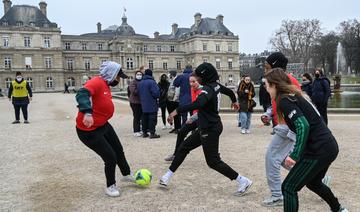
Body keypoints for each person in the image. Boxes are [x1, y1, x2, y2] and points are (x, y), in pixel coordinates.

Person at [159, 62, 253, 197]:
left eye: (198, 76)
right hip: (208, 125)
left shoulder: (207, 90)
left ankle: (243, 181)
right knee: (184, 147)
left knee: (213, 162)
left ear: (205, 76)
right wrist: (234, 101)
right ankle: (167, 176)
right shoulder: (215, 86)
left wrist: (177, 110)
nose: (197, 78)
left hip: (209, 128)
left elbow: (199, 103)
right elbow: (228, 92)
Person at [264, 68, 348, 212]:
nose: (266, 88)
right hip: (328, 146)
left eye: (266, 84)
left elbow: (303, 125)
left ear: (274, 85)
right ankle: (339, 209)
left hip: (318, 149)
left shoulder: (284, 100)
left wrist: (295, 154)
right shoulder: (294, 95)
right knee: (314, 183)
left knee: (288, 187)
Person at [75, 61, 133, 197]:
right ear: (111, 74)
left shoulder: (105, 84)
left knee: (118, 149)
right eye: (118, 77)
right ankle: (110, 186)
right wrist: (87, 113)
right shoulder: (96, 82)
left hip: (103, 125)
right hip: (88, 131)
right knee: (110, 157)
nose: (119, 80)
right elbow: (82, 94)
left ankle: (126, 174)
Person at [261, 52, 300, 207]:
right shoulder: (282, 80)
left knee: (271, 158)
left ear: (274, 66)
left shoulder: (287, 80)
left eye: (267, 66)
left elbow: (294, 104)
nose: (265, 70)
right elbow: (277, 103)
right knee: (283, 160)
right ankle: (316, 178)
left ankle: (277, 195)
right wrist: (268, 113)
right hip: (284, 125)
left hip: (286, 126)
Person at [164, 73, 202, 161]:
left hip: (204, 118)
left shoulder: (203, 91)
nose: (191, 84)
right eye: (190, 82)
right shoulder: (192, 89)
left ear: (199, 81)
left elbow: (200, 108)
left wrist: (192, 117)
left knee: (203, 137)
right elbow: (192, 105)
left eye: (193, 81)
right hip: (196, 116)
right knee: (182, 132)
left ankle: (215, 155)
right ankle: (176, 154)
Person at [138, 69, 161, 139]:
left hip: (143, 103)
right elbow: (156, 93)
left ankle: (144, 133)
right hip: (151, 103)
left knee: (144, 118)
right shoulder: (152, 82)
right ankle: (152, 133)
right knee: (152, 118)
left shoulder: (141, 82)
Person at [128, 70, 143, 137]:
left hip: (141, 102)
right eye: (138, 74)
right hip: (134, 102)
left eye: (140, 74)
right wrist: (143, 90)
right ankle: (136, 131)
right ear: (135, 75)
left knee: (142, 116)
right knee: (136, 116)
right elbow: (133, 91)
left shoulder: (142, 81)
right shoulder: (133, 82)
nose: (139, 75)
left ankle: (141, 129)